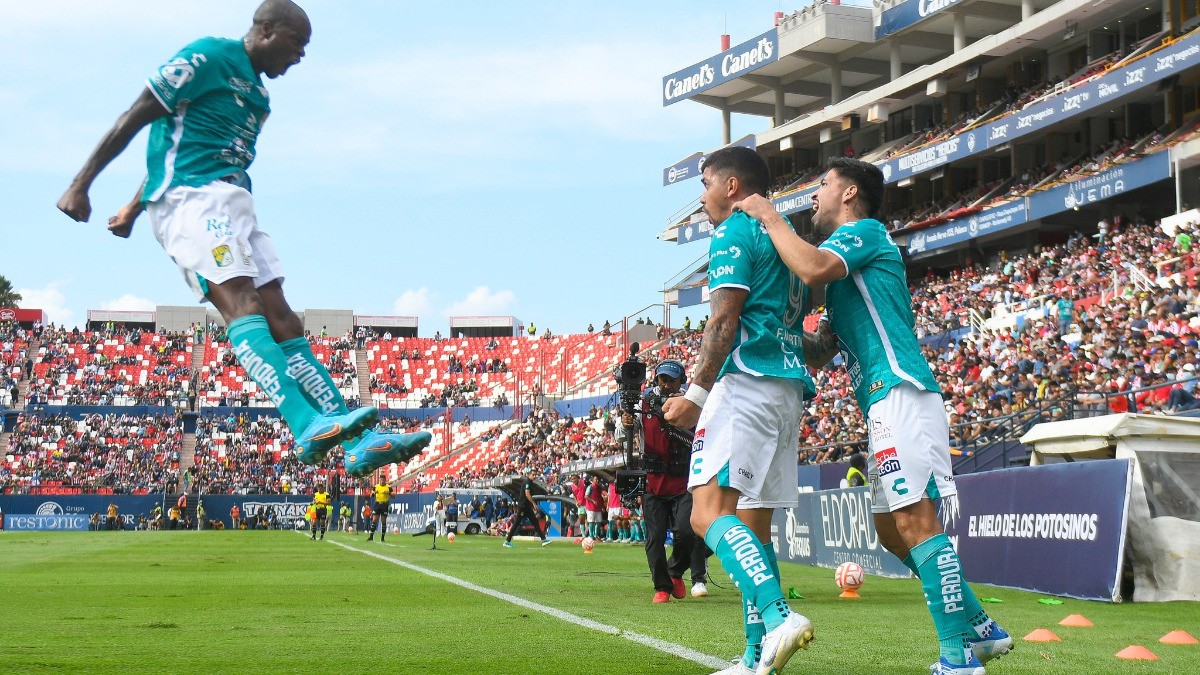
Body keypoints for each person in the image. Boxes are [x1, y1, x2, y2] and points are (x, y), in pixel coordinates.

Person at [55, 0, 429, 479]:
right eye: (298, 44)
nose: (300, 57)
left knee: (284, 319)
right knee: (244, 304)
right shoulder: (209, 56)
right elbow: (140, 114)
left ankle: (361, 441)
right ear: (267, 31)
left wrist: (131, 206)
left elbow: (181, 145)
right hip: (190, 203)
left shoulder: (259, 98)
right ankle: (305, 423)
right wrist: (80, 183)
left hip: (235, 202)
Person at [735, 156, 1012, 675]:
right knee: (889, 529)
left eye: (821, 185)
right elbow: (822, 349)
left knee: (915, 521)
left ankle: (959, 658)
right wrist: (777, 333)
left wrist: (770, 217)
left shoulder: (865, 233)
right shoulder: (843, 276)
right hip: (883, 402)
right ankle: (979, 627)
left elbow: (812, 266)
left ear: (849, 192)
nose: (813, 196)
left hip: (901, 392)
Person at [662, 146, 817, 675]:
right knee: (754, 526)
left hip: (746, 384)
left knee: (709, 515)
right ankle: (755, 658)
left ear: (731, 186)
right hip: (788, 391)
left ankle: (778, 617)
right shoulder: (785, 238)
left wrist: (696, 393)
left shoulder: (734, 230)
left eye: (705, 183)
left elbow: (723, 321)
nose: (701, 196)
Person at [619, 359, 708, 604]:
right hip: (653, 480)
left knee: (687, 533)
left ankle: (675, 572)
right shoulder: (643, 401)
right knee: (655, 537)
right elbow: (622, 433)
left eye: (671, 379)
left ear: (682, 380)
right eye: (662, 379)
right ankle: (662, 586)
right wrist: (624, 423)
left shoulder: (694, 403)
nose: (666, 384)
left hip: (684, 480)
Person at [503, 469, 551, 548]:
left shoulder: (530, 483)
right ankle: (507, 541)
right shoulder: (527, 483)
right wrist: (534, 504)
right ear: (529, 475)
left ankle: (543, 539)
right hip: (523, 506)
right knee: (517, 523)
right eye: (533, 475)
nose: (534, 476)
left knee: (535, 522)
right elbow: (527, 494)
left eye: (535, 475)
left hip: (527, 506)